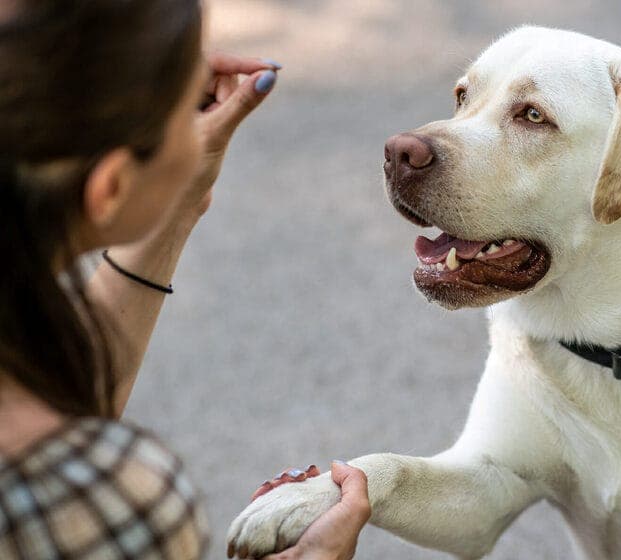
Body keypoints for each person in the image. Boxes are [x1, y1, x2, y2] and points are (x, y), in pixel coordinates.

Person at [0, 1, 370, 558]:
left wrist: (179, 200)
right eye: (180, 112)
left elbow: (67, 400)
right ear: (111, 188)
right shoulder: (99, 502)